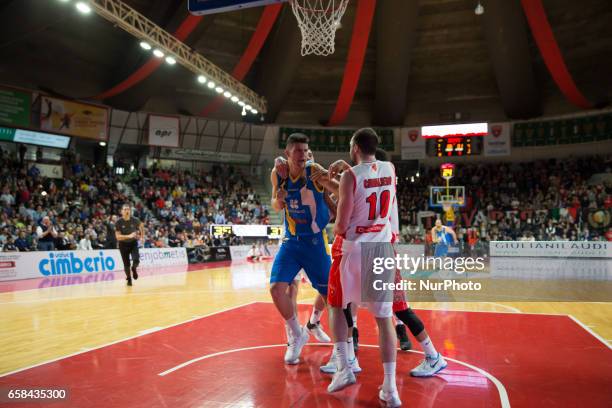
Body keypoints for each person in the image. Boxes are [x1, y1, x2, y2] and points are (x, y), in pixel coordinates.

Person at [324, 128, 401, 405]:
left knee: (337, 305)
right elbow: (369, 178)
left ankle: (344, 367)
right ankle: (390, 388)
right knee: (384, 319)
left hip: (354, 250)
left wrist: (334, 199)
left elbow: (342, 225)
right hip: (381, 249)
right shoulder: (390, 168)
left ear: (355, 147)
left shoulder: (349, 176)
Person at [269, 133, 337, 365]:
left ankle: (341, 348)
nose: (303, 154)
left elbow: (338, 190)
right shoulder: (278, 173)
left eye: (306, 150)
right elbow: (275, 204)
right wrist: (279, 199)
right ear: (287, 153)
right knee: (277, 289)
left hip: (316, 242)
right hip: (291, 241)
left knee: (332, 296)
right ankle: (297, 334)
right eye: (298, 150)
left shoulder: (314, 170)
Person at [115, 203, 144, 286]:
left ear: (130, 211)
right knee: (126, 264)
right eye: (125, 209)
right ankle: (129, 279)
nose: (127, 211)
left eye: (128, 209)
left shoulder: (135, 220)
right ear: (122, 212)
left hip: (133, 243)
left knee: (136, 260)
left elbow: (141, 227)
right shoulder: (118, 222)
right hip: (123, 245)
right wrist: (129, 235)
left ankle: (134, 268)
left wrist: (142, 237)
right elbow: (117, 237)